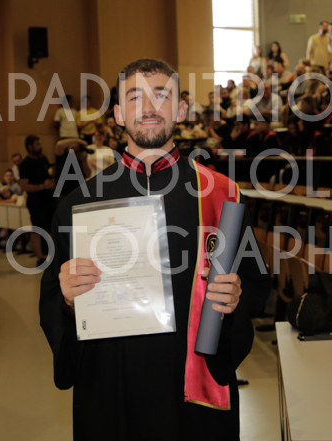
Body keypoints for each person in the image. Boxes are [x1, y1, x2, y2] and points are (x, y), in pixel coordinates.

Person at [40, 58, 271, 441]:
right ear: (118, 114)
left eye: (161, 96)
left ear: (180, 109)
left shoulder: (221, 196)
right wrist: (67, 300)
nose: (148, 108)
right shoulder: (79, 205)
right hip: (111, 385)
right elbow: (52, 299)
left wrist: (236, 298)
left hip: (191, 395)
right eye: (135, 97)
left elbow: (254, 284)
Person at [18, 134, 55, 265]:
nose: (41, 146)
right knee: (38, 229)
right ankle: (40, 257)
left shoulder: (43, 159)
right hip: (35, 200)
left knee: (50, 227)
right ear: (30, 147)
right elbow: (24, 186)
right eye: (37, 144)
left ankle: (52, 254)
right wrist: (43, 186)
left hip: (48, 198)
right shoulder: (25, 164)